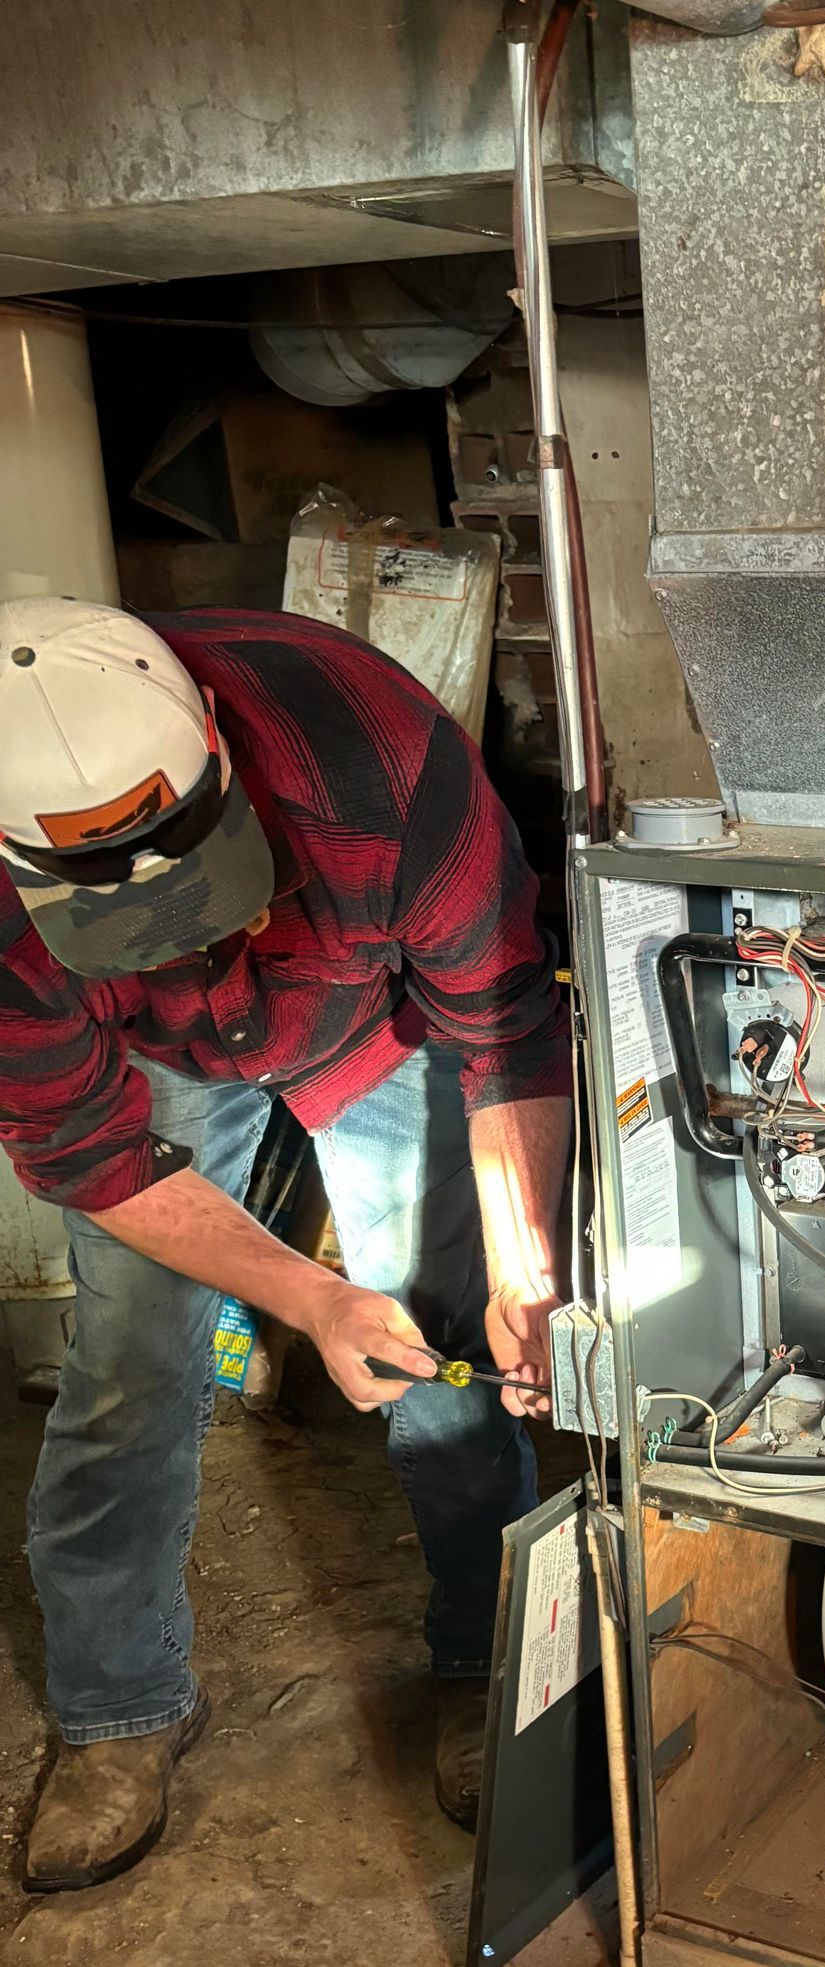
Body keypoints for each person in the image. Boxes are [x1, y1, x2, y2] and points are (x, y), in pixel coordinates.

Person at [0, 597, 573, 1889]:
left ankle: (489, 1666)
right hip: (147, 1065)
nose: (189, 929)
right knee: (130, 1368)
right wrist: (304, 1296)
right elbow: (89, 1154)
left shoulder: (376, 758)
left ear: (211, 735)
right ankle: (118, 1711)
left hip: (364, 1027)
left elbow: (503, 1030)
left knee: (439, 1321)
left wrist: (525, 1275)